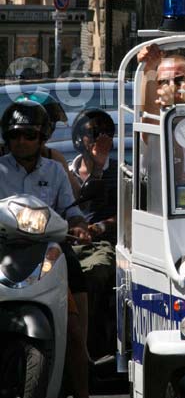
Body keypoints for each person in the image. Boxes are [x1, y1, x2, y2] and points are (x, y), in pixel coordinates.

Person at [0, 100, 109, 398]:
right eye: (15, 135)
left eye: (29, 135)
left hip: (49, 251)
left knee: (74, 333)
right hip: (3, 251)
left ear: (43, 137)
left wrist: (79, 226)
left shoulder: (54, 171)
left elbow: (70, 212)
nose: (22, 142)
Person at [69, 108, 117, 361]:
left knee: (94, 271)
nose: (98, 139)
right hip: (68, 242)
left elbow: (129, 216)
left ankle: (89, 346)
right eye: (92, 132)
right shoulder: (65, 172)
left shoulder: (121, 173)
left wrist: (99, 227)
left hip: (102, 245)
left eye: (105, 133)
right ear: (79, 137)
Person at [137, 44, 185, 181]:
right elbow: (150, 132)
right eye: (163, 81)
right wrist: (149, 69)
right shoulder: (157, 116)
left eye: (179, 80)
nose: (171, 86)